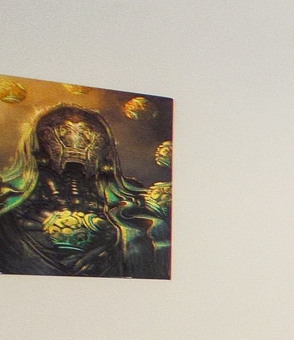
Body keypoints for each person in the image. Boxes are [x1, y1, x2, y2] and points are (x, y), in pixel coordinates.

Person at [0, 105, 168, 278]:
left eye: (86, 134)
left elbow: (158, 239)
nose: (75, 141)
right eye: (65, 132)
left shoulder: (128, 198)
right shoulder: (10, 198)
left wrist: (117, 239)